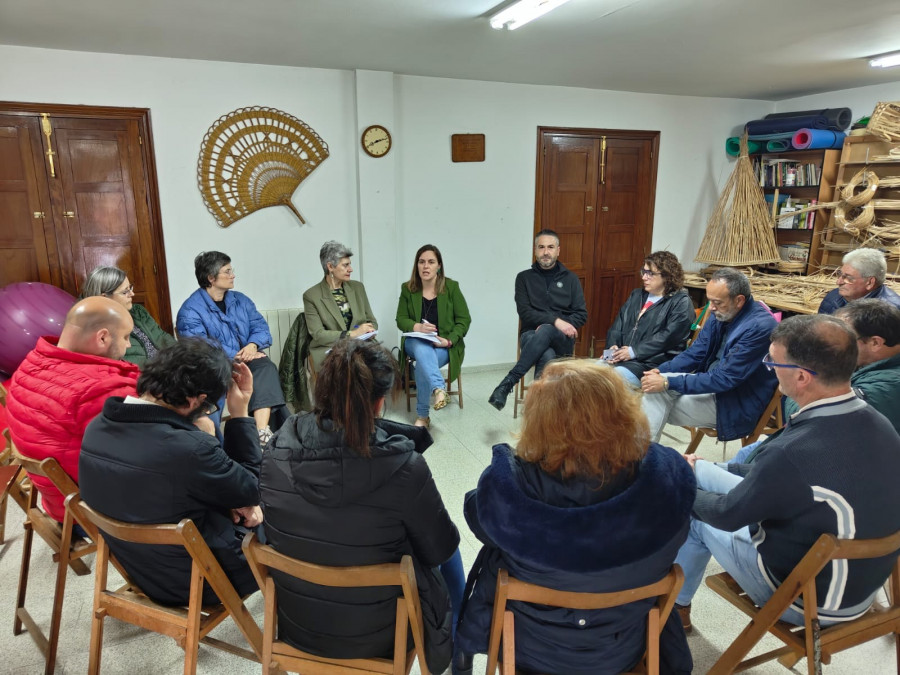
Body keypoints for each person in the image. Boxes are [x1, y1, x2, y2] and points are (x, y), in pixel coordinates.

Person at [455, 360, 694, 675]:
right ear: (623, 412)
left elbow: (476, 515)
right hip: (624, 648)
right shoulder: (668, 479)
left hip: (527, 652)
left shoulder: (506, 488)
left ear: (539, 421)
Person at [673, 315, 900, 633]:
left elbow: (727, 515)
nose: (769, 368)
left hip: (808, 598)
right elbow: (778, 477)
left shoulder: (793, 450)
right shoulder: (878, 422)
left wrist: (681, 490)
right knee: (699, 473)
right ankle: (689, 472)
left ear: (803, 378)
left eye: (773, 361)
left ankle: (673, 611)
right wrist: (703, 471)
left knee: (696, 515)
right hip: (858, 587)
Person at [259, 340, 461, 674]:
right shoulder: (406, 468)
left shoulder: (275, 453)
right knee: (448, 549)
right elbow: (438, 550)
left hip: (301, 628)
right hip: (382, 635)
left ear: (320, 392)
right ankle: (459, 651)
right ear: (380, 404)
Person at [79, 338, 262, 606]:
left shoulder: (97, 426)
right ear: (195, 400)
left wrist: (229, 499)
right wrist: (240, 413)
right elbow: (253, 487)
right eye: (210, 406)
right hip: (200, 581)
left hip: (141, 571)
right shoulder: (189, 449)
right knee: (287, 506)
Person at [5, 297, 139, 522]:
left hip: (57, 500)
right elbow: (148, 449)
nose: (129, 346)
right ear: (103, 337)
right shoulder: (99, 389)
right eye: (126, 337)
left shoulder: (29, 364)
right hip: (91, 511)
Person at [640, 267, 777, 444]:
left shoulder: (760, 327)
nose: (710, 308)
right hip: (710, 386)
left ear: (739, 300)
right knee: (652, 392)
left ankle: (642, 460)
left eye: (717, 302)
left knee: (649, 404)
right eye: (710, 300)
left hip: (734, 403)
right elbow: (695, 354)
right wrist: (658, 371)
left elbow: (725, 379)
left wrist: (667, 382)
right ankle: (643, 459)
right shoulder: (722, 312)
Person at [176, 251, 288, 445]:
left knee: (266, 366)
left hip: (243, 361)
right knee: (216, 383)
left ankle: (261, 431)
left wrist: (252, 346)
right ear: (211, 278)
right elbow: (199, 346)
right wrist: (238, 355)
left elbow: (260, 327)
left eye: (231, 270)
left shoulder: (240, 300)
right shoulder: (190, 310)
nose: (233, 275)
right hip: (212, 367)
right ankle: (217, 443)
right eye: (227, 271)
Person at [488, 229, 587, 410]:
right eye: (541, 247)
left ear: (558, 250)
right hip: (531, 335)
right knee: (546, 354)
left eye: (550, 247)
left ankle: (508, 382)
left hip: (562, 339)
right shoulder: (524, 278)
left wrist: (556, 324)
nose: (546, 252)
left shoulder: (571, 279)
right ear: (535, 250)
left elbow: (581, 315)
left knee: (548, 330)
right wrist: (555, 320)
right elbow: (525, 313)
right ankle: (540, 409)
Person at [395, 244, 471, 427]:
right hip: (415, 342)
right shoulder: (408, 289)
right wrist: (417, 327)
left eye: (431, 262)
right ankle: (438, 387)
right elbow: (400, 319)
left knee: (422, 364)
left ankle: (422, 417)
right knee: (421, 348)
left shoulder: (451, 287)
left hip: (442, 346)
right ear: (417, 265)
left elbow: (464, 319)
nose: (425, 266)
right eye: (421, 262)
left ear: (439, 266)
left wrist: (449, 340)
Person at [602, 251, 694, 388]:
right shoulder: (637, 295)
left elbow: (667, 338)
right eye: (643, 272)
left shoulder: (681, 302)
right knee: (586, 375)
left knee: (608, 382)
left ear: (667, 276)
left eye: (650, 273)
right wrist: (611, 351)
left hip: (652, 365)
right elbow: (617, 326)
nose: (644, 277)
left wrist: (633, 352)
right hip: (622, 359)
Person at [303, 240, 379, 372]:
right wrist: (353, 334)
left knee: (382, 362)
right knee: (353, 366)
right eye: (345, 265)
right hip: (331, 349)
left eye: (350, 264)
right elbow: (319, 335)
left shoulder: (358, 287)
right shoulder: (311, 296)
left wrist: (369, 331)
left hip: (360, 346)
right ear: (330, 267)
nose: (351, 269)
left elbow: (371, 321)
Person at [81, 265, 176, 367]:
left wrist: (181, 356)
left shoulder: (138, 311)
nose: (132, 294)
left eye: (130, 287)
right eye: (125, 291)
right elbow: (130, 366)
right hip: (149, 377)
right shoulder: (100, 332)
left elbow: (163, 338)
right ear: (105, 298)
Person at [818, 248, 900, 315]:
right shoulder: (833, 297)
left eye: (848, 278)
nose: (838, 282)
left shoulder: (892, 313)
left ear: (870, 283)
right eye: (840, 274)